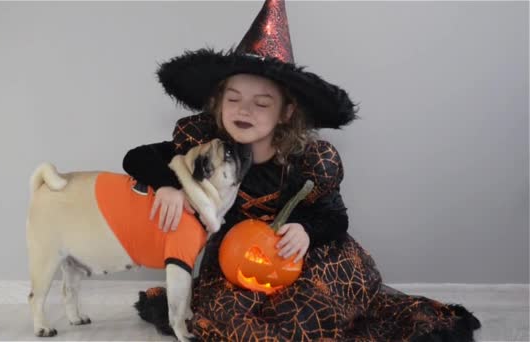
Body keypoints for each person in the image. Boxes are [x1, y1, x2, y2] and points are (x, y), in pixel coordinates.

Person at [123, 0, 481, 340]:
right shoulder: (205, 145)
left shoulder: (309, 160)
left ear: (286, 112)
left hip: (300, 256)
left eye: (261, 103)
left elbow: (335, 217)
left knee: (313, 310)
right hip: (235, 258)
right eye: (233, 99)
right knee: (229, 313)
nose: (244, 110)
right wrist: (169, 185)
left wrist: (308, 230)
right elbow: (137, 158)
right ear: (219, 104)